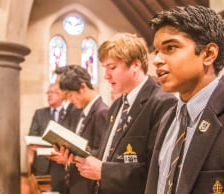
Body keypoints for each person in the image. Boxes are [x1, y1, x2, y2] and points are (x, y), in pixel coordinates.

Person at [145, 5, 224, 194]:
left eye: (170, 48)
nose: (156, 60)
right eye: (157, 51)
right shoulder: (168, 118)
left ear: (208, 54)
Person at [70, 33, 177, 194]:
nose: (106, 76)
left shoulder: (162, 103)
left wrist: (103, 171)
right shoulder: (117, 105)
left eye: (112, 67)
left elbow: (157, 171)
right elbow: (109, 154)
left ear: (135, 65)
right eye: (105, 69)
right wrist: (77, 155)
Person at [49, 65, 109, 194]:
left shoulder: (102, 112)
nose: (70, 100)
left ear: (83, 87)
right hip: (76, 182)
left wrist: (73, 156)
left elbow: (103, 154)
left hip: (88, 185)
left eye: (70, 95)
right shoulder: (82, 110)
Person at [27, 83, 63, 176]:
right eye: (48, 93)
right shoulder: (39, 113)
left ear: (62, 94)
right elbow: (32, 135)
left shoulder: (69, 113)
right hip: (42, 162)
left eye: (53, 92)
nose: (49, 95)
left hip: (62, 164)